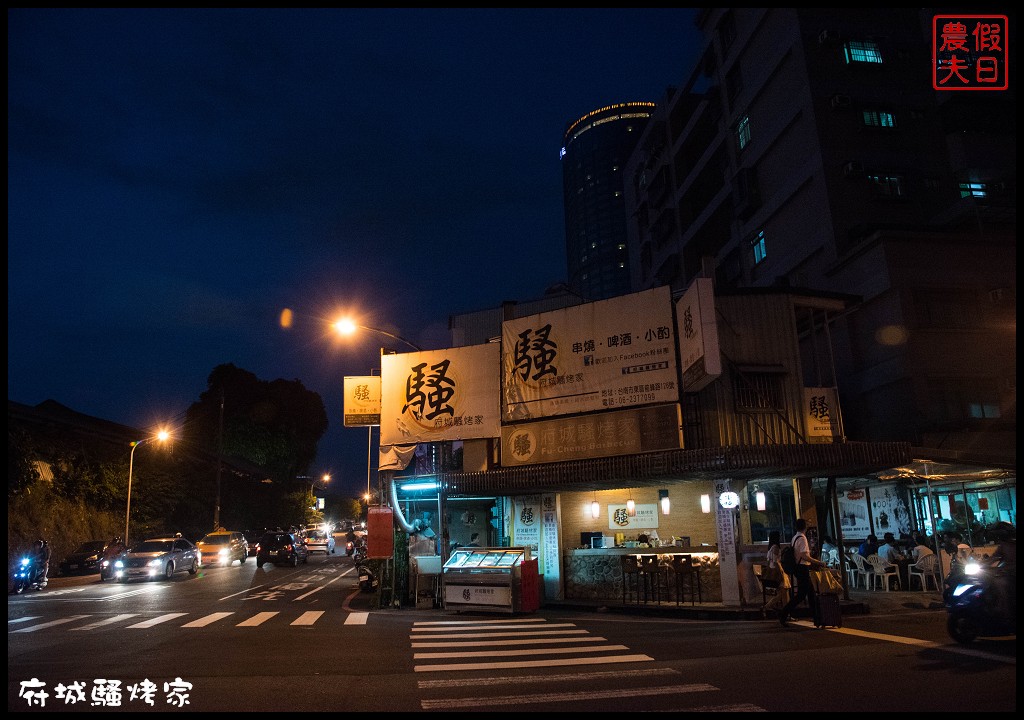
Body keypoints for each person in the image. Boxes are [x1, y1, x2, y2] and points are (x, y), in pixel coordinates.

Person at [779, 519, 826, 627]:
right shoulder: (803, 538)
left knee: (811, 595)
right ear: (805, 527)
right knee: (801, 595)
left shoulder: (794, 538)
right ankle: (784, 613)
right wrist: (819, 563)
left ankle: (817, 619)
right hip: (802, 568)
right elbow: (804, 556)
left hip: (798, 568)